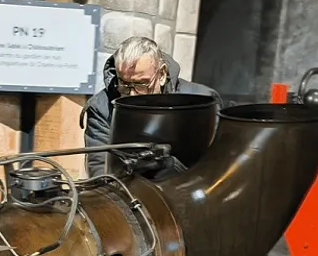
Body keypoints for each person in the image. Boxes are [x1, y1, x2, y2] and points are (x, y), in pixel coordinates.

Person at [81, 36, 222, 178]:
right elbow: (100, 169)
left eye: (141, 84)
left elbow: (215, 164)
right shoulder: (101, 107)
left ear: (162, 74)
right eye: (124, 84)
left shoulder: (200, 102)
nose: (131, 94)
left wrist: (172, 167)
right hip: (125, 187)